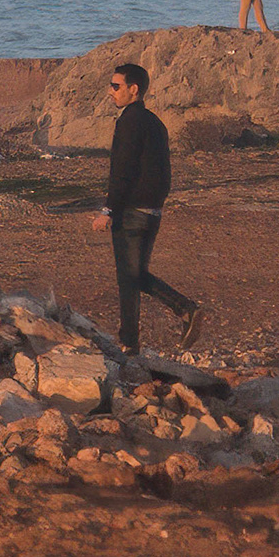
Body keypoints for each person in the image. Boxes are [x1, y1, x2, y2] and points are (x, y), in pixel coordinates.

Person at [95, 62, 203, 353]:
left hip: (132, 212)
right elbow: (162, 172)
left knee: (128, 280)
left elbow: (123, 170)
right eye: (111, 85)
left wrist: (108, 211)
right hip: (152, 212)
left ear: (134, 89)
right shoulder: (155, 123)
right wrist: (157, 203)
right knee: (137, 275)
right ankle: (184, 311)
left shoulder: (129, 122)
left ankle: (130, 344)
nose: (111, 92)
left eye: (116, 86)